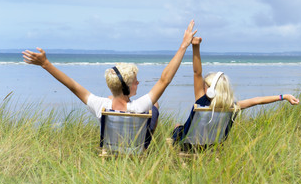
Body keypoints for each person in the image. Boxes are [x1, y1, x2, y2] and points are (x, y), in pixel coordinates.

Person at [23, 20, 197, 148]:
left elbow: (72, 86)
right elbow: (164, 80)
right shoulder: (138, 107)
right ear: (127, 87)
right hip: (136, 148)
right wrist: (183, 46)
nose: (138, 82)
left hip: (111, 148)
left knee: (144, 104)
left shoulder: (101, 106)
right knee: (155, 106)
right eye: (135, 81)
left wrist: (46, 64)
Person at [172, 37, 299, 143]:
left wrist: (195, 47)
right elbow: (257, 101)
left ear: (210, 90)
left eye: (205, 85)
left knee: (178, 126)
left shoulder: (201, 101)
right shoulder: (232, 106)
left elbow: (197, 72)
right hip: (213, 144)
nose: (203, 86)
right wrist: (284, 96)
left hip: (188, 144)